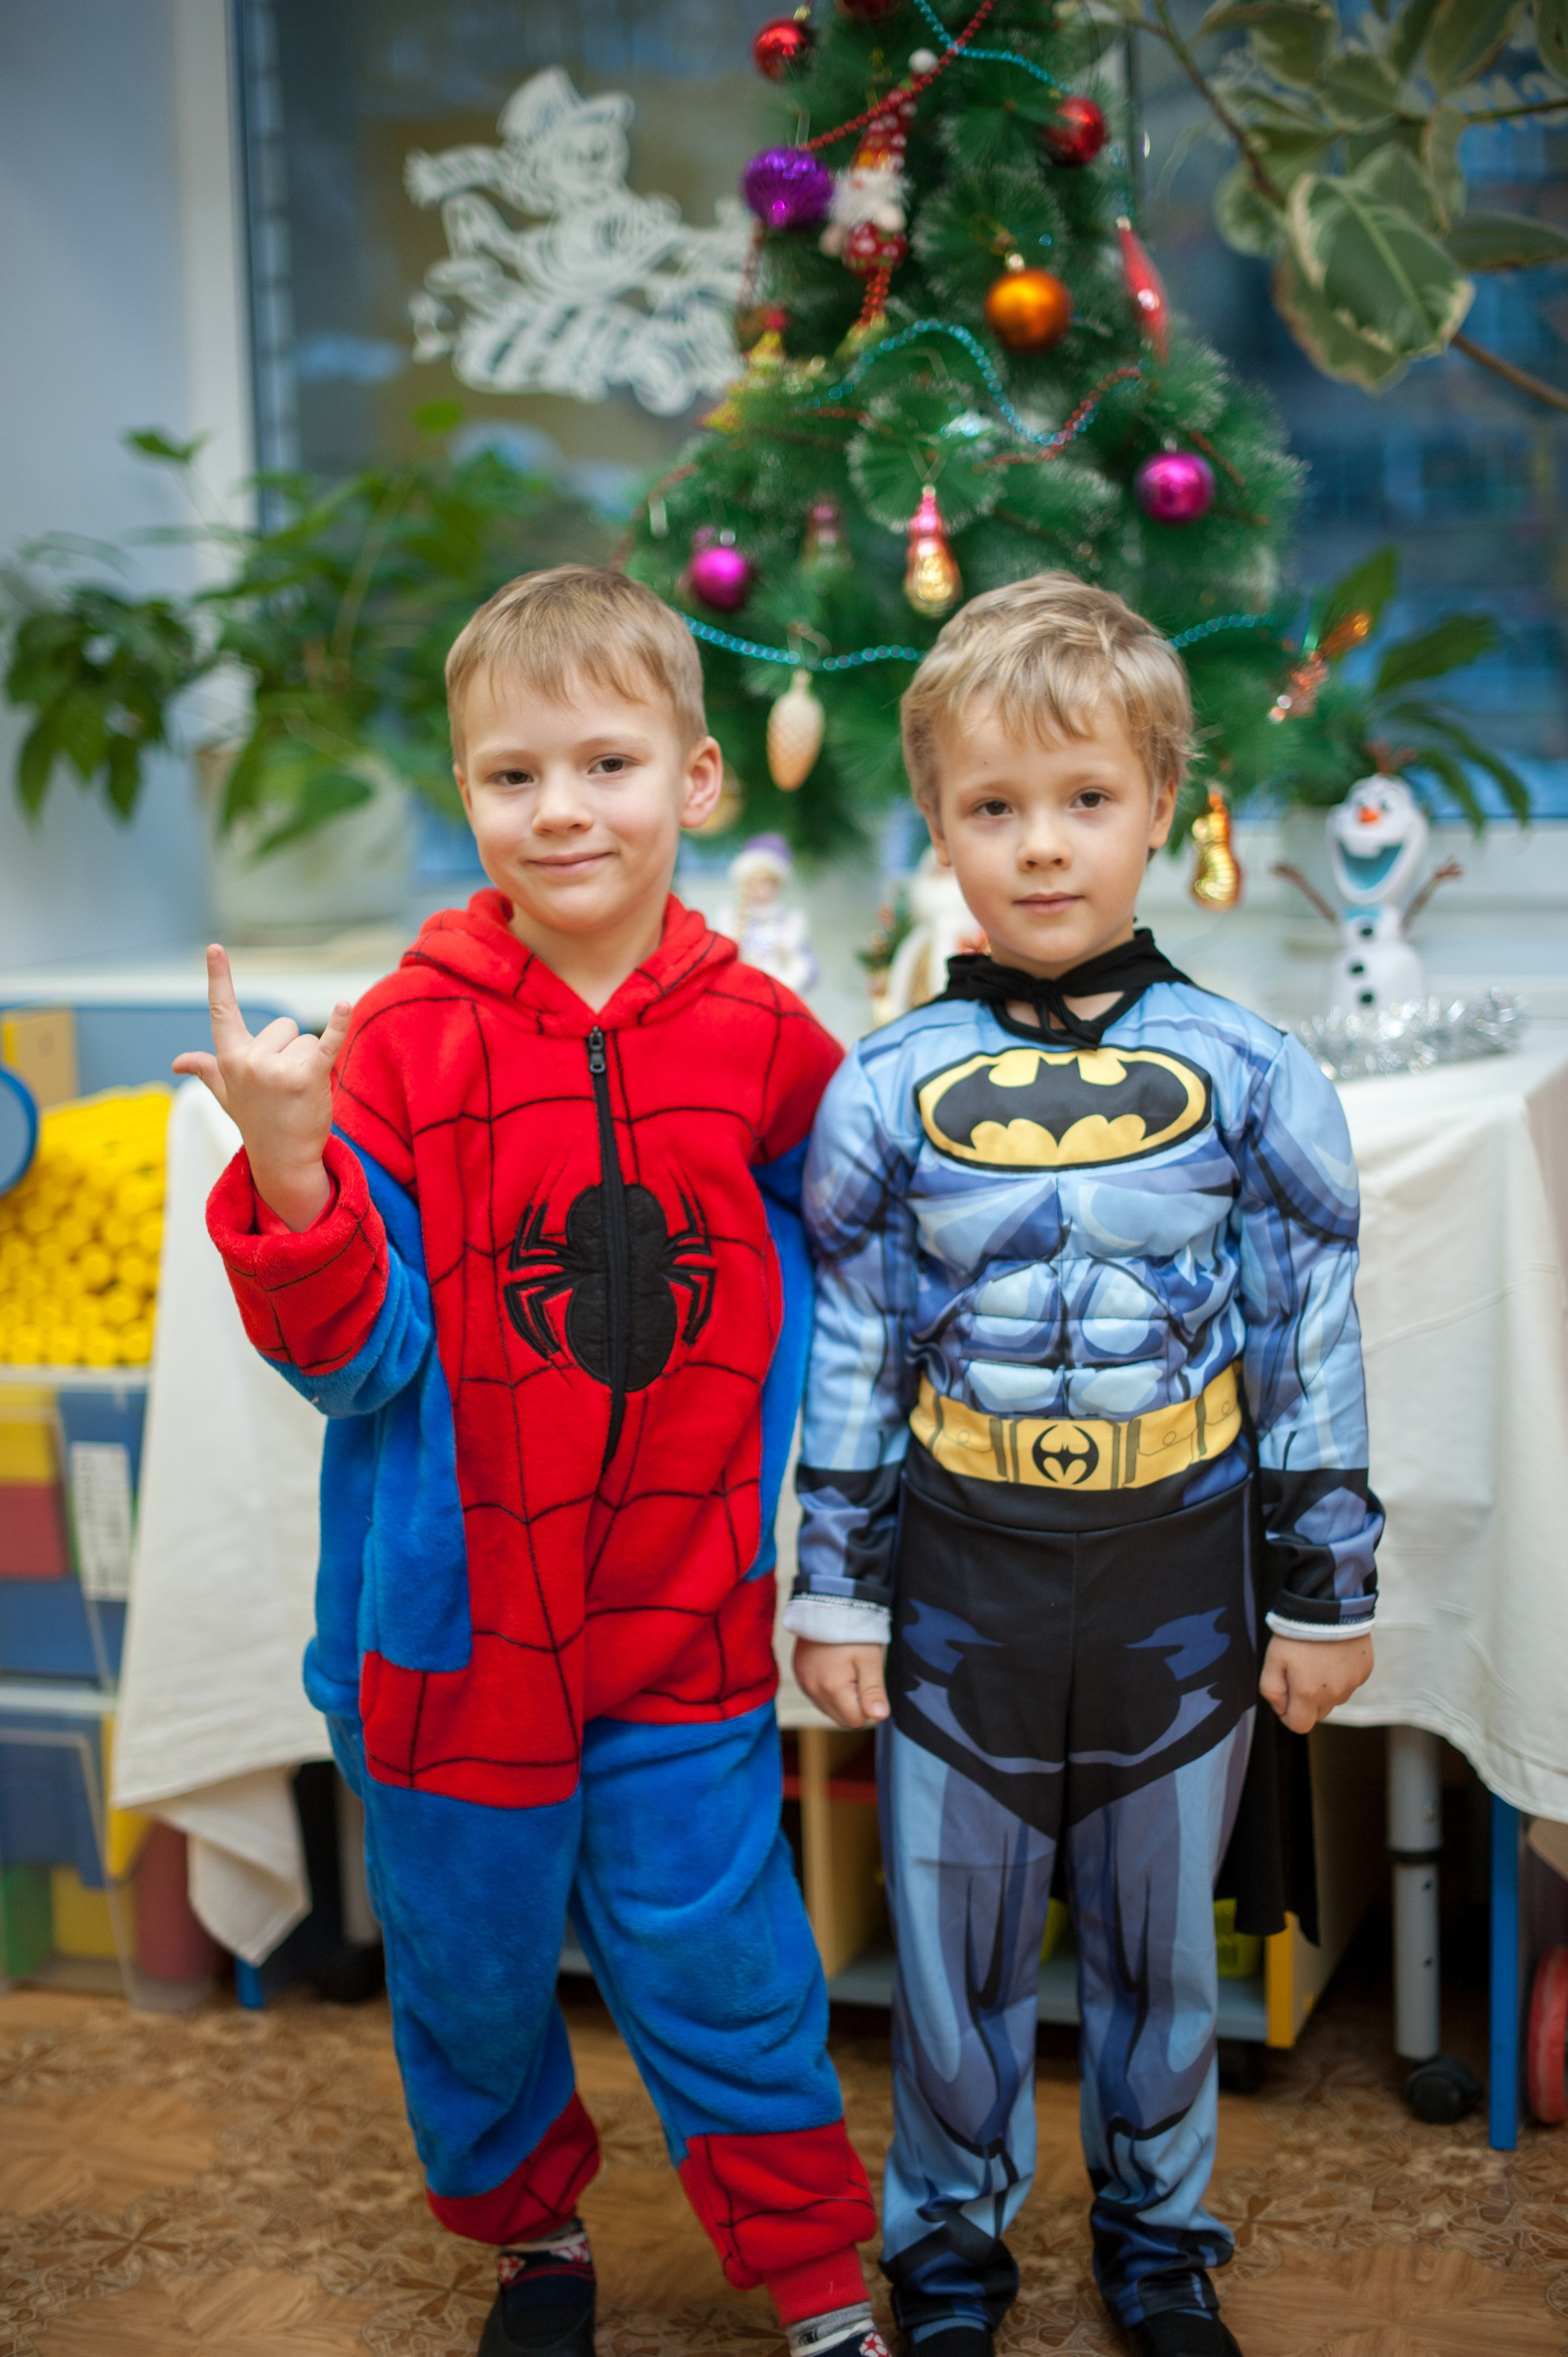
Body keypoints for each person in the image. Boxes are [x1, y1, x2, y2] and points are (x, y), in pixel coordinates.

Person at [177, 567, 881, 2357]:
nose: (561, 809)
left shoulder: (772, 1045)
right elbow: (359, 1363)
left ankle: (813, 2278)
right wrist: (290, 1173)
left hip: (679, 1615)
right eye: (513, 775)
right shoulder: (396, 1046)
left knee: (728, 1963)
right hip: (448, 1626)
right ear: (464, 789)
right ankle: (533, 2246)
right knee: (472, 1976)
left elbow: (872, 1271)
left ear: (698, 783)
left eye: (606, 764)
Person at [785, 575, 1380, 2357]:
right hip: (961, 1570)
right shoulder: (881, 1087)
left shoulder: (1261, 1074)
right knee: (952, 1957)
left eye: (1086, 799)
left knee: (1158, 1951)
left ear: (1164, 802)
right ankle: (947, 2257)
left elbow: (1308, 1345)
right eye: (993, 807)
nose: (1042, 849)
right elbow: (857, 1352)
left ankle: (1162, 2243)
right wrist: (837, 1586)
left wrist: (1328, 1593)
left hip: (1176, 1577)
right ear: (939, 825)